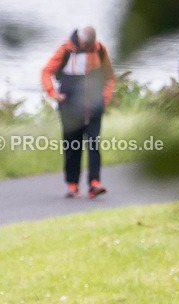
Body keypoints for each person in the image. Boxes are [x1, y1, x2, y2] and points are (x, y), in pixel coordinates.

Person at [41, 25, 117, 198]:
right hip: (70, 109)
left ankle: (94, 184)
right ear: (80, 40)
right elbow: (46, 72)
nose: (89, 47)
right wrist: (53, 93)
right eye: (86, 45)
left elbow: (109, 77)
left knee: (94, 144)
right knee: (72, 146)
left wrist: (104, 99)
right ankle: (72, 185)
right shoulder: (65, 50)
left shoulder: (100, 50)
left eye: (91, 44)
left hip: (94, 108)